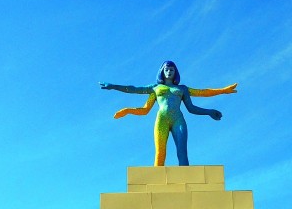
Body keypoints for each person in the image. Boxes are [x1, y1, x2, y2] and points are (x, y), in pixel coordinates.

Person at [100, 61, 236, 166]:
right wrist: (115, 89)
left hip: (178, 119)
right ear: (162, 72)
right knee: (160, 153)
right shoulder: (155, 88)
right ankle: (156, 185)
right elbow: (136, 94)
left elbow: (199, 97)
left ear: (175, 72)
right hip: (162, 120)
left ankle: (186, 183)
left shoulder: (182, 88)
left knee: (182, 152)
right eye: (167, 69)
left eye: (172, 70)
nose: (169, 72)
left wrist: (217, 100)